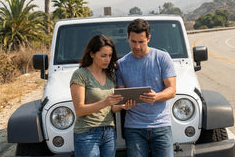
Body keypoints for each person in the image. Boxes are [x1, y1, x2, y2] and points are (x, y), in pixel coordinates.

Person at [116, 18, 177, 157]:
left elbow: (172, 90)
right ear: (127, 38)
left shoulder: (162, 58)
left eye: (141, 42)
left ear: (148, 38)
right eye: (133, 41)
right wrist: (124, 104)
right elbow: (121, 94)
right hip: (134, 128)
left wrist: (156, 97)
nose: (137, 46)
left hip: (161, 124)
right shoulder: (121, 64)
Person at [70, 34, 134, 157]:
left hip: (109, 132)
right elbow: (79, 110)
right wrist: (105, 102)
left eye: (110, 55)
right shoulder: (80, 75)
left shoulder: (111, 75)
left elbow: (112, 108)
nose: (107, 59)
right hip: (87, 133)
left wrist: (123, 106)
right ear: (92, 54)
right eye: (103, 55)